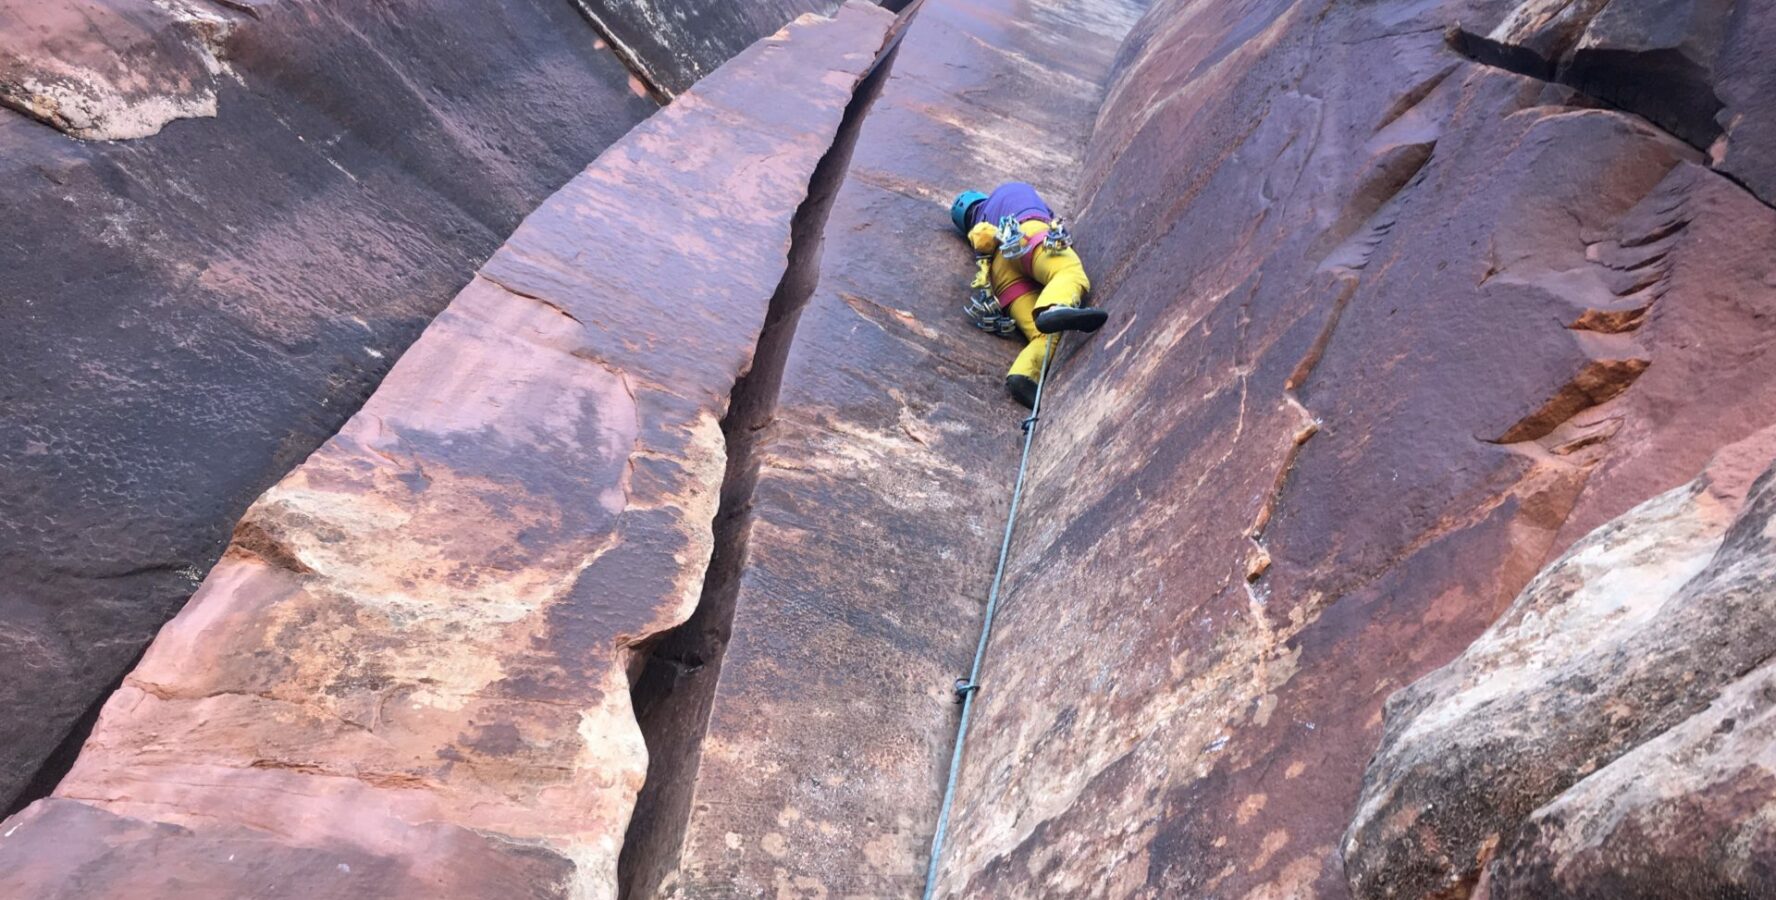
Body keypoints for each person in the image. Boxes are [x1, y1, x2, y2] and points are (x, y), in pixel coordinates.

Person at [951, 183, 1108, 408]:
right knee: (1067, 272)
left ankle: (1023, 374)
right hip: (1024, 235)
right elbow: (1052, 220)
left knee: (1043, 335)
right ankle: (1054, 307)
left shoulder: (979, 239)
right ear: (979, 197)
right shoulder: (1010, 190)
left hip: (1000, 278)